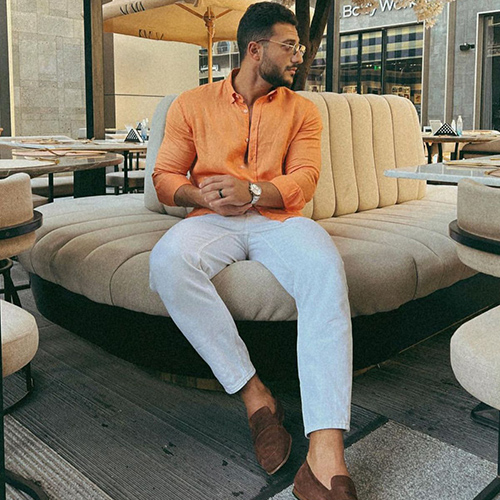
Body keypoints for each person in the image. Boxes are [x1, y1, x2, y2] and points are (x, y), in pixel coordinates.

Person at [149, 3, 357, 499]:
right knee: (167, 262)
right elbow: (165, 177)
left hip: (277, 219)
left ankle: (325, 453)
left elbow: (305, 178)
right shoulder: (191, 104)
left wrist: (256, 191)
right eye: (290, 46)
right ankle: (256, 398)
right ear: (255, 49)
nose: (299, 56)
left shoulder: (302, 111)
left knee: (325, 267)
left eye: (300, 47)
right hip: (212, 220)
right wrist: (201, 197)